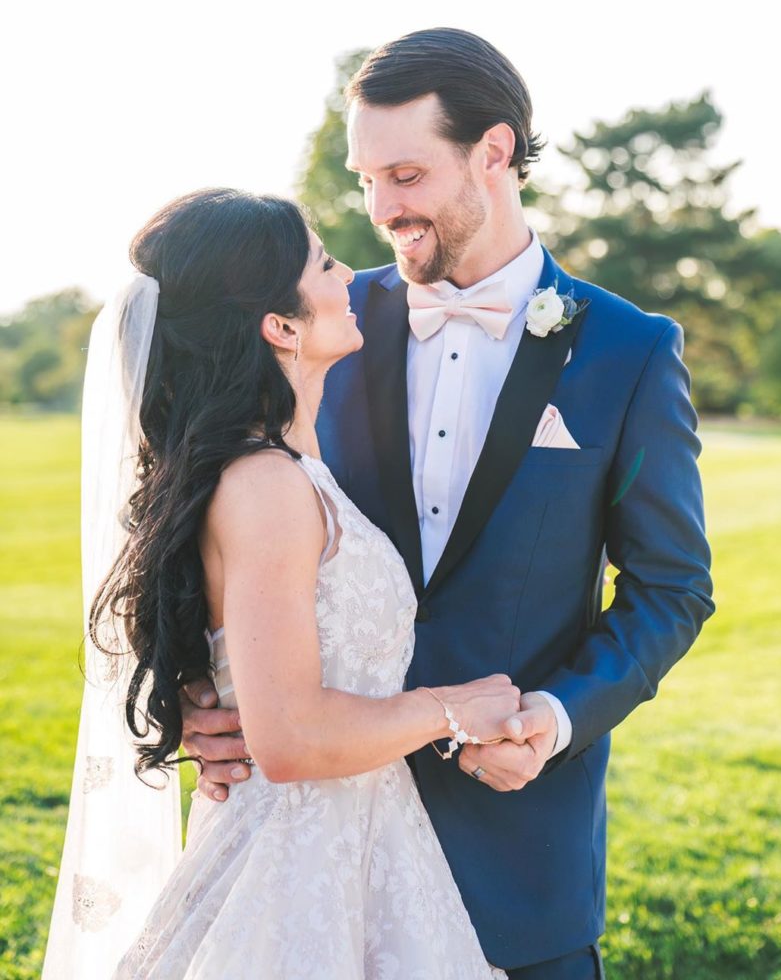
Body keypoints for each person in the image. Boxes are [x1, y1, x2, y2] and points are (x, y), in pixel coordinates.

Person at [185, 30, 715, 979]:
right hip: (312, 861)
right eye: (365, 181)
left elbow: (670, 589)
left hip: (517, 854)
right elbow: (206, 520)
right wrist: (202, 690)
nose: (382, 210)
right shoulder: (323, 324)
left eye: (405, 174)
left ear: (494, 151)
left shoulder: (628, 352)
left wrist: (553, 717)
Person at [44, 188, 517, 978]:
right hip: (290, 872)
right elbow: (290, 738)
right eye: (325, 262)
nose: (347, 276)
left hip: (360, 845)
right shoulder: (265, 484)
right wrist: (453, 710)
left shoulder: (286, 470)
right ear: (282, 326)